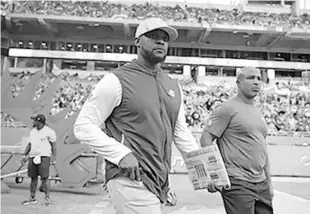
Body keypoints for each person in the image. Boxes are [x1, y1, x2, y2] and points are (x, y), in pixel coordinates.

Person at [74, 17, 200, 214]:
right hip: (129, 177)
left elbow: (180, 132)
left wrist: (205, 169)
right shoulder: (116, 81)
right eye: (153, 36)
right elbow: (83, 126)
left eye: (165, 39)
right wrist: (120, 154)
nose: (161, 42)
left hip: (158, 179)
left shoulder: (173, 85)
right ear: (137, 42)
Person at [200, 67, 274, 214]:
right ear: (238, 82)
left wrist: (269, 183)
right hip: (237, 181)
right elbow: (205, 139)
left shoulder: (257, 112)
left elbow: (262, 150)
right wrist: (214, 174)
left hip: (261, 182)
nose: (256, 82)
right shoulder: (227, 109)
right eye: (251, 78)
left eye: (259, 79)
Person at [21, 114, 57, 207]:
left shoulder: (49, 132)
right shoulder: (33, 131)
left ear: (39, 121)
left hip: (44, 156)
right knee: (33, 177)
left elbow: (54, 145)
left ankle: (47, 198)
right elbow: (29, 144)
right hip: (33, 156)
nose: (33, 122)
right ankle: (32, 197)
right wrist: (24, 155)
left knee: (45, 178)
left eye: (34, 121)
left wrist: (54, 157)